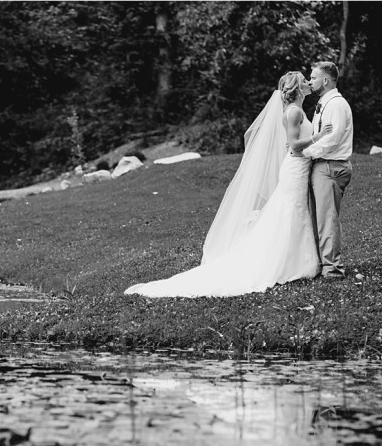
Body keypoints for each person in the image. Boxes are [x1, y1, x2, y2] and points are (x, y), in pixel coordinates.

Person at [124, 71, 332, 298]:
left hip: (299, 169)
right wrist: (319, 136)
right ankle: (290, 263)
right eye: (304, 80)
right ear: (297, 88)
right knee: (290, 210)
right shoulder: (293, 112)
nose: (308, 82)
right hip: (294, 169)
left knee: (293, 211)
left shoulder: (298, 111)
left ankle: (297, 260)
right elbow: (294, 146)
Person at [304, 61, 354, 279]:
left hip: (331, 166)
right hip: (322, 165)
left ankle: (332, 268)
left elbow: (333, 140)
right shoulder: (325, 103)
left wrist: (306, 152)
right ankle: (322, 262)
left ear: (325, 80)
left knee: (327, 218)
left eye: (313, 77)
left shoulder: (336, 105)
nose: (310, 81)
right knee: (321, 217)